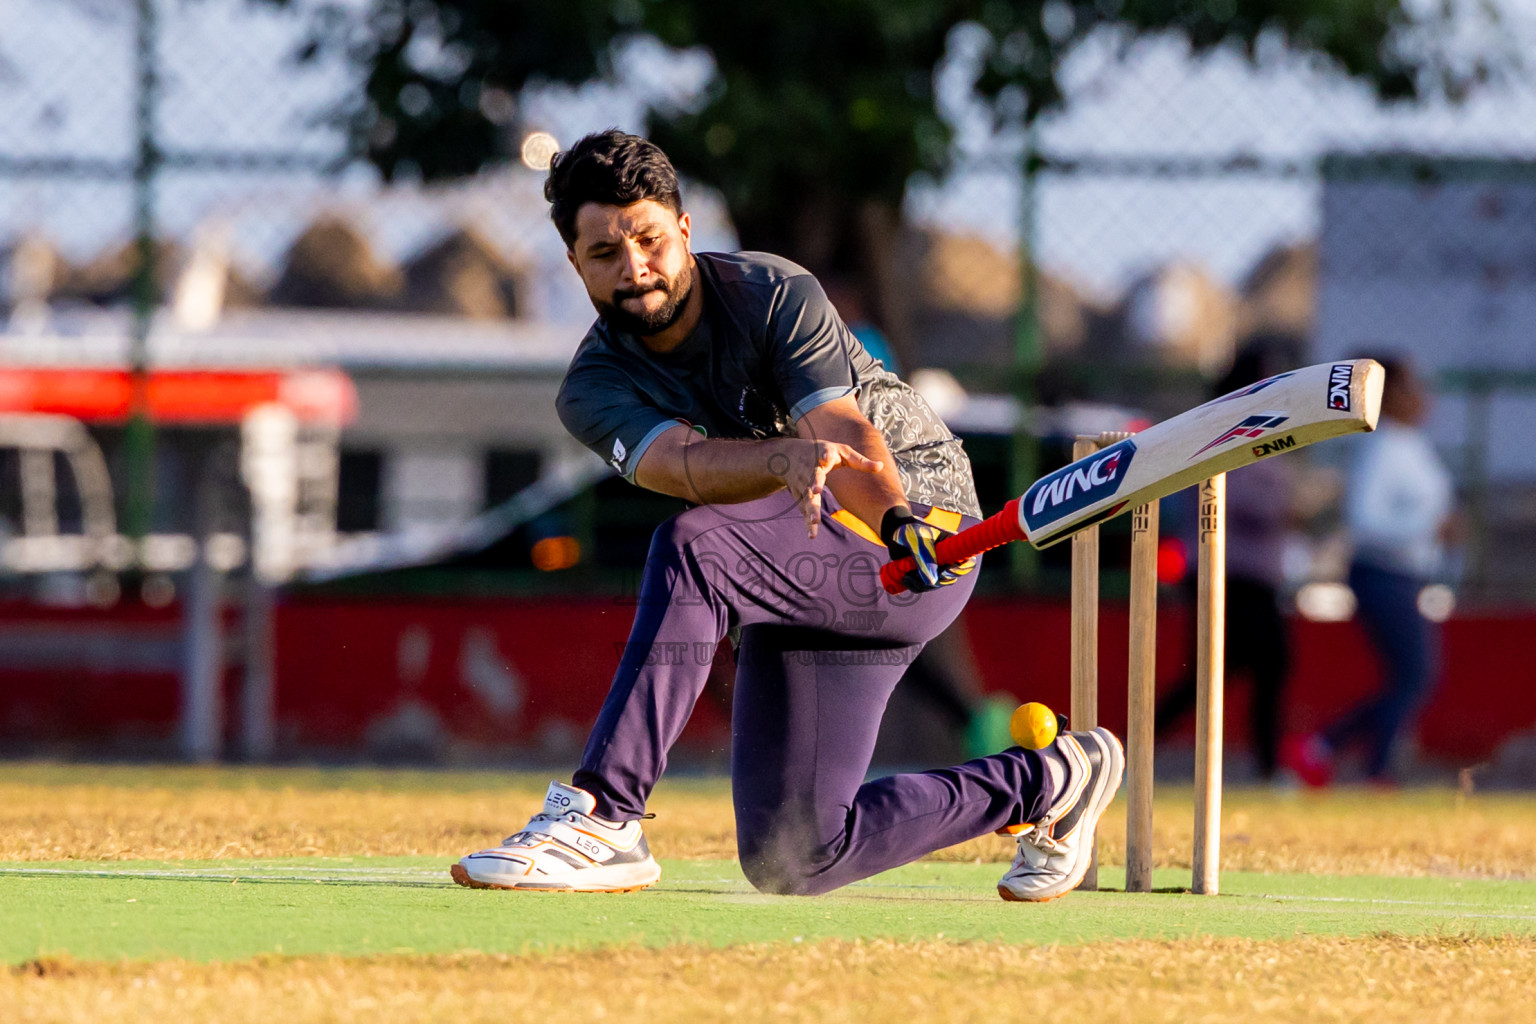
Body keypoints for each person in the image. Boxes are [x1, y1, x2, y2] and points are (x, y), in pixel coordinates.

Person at [452, 130, 1123, 899]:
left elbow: (842, 431)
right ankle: (1051, 782)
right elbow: (679, 466)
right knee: (795, 855)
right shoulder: (592, 386)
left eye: (649, 239)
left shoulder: (772, 293)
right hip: (794, 564)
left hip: (913, 530)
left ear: (685, 231)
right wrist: (778, 461)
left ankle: (605, 815)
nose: (634, 269)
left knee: (696, 548)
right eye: (605, 254)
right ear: (576, 264)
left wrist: (897, 518)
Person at [1284, 355, 1455, 786]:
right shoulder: (1382, 448)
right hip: (1380, 572)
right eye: (1412, 386)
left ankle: (1331, 752)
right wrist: (1430, 526)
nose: (1423, 397)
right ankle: (1362, 763)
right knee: (1415, 674)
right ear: (1390, 394)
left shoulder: (1412, 445)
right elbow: (1363, 520)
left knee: (1409, 676)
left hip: (1405, 574)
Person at [1156, 339, 1299, 781]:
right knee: (1219, 670)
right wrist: (1288, 503)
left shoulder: (1262, 427)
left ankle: (1266, 767)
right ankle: (1132, 748)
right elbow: (1236, 496)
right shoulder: (1225, 428)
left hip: (1250, 573)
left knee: (1232, 667)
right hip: (1225, 570)